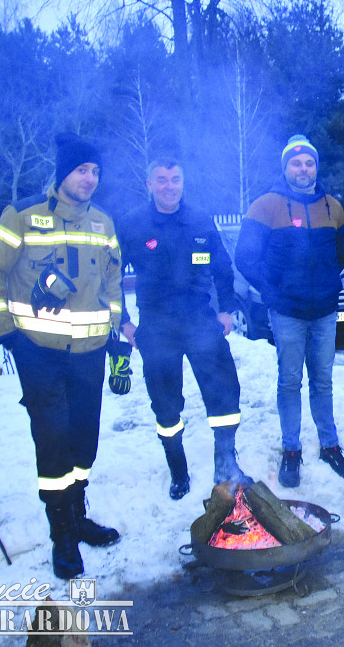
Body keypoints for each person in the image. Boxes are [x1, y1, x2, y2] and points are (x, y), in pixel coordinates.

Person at [0, 132, 122, 579]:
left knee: (84, 439)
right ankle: (62, 534)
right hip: (38, 354)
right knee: (53, 441)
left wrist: (115, 335)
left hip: (90, 354)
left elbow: (113, 283)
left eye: (95, 171)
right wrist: (7, 335)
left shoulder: (103, 223)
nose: (90, 179)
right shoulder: (21, 216)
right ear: (63, 173)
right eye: (82, 170)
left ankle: (78, 516)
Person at [118, 158, 252, 501]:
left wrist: (225, 310)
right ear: (149, 184)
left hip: (200, 321)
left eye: (175, 179)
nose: (169, 186)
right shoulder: (133, 224)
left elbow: (223, 267)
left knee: (224, 390)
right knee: (165, 405)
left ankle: (225, 463)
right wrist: (123, 322)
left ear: (183, 182)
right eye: (161, 180)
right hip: (157, 327)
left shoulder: (199, 220)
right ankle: (178, 469)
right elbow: (108, 275)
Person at [235, 135, 344, 488]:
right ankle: (291, 449)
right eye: (296, 163)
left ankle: (330, 445)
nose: (303, 169)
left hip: (324, 312)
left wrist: (327, 287)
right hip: (287, 312)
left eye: (309, 163)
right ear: (285, 167)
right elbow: (245, 256)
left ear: (316, 167)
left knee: (323, 381)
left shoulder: (333, 207)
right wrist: (272, 290)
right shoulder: (265, 206)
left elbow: (339, 255)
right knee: (289, 381)